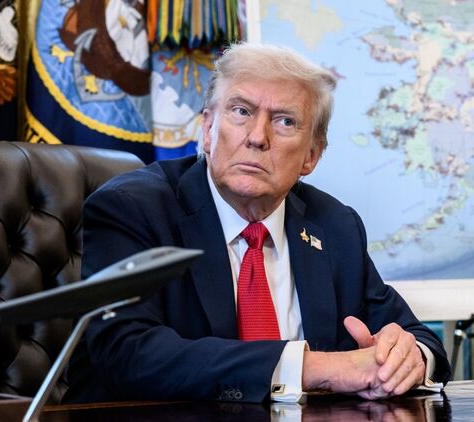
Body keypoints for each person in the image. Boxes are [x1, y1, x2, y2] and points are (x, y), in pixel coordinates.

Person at [65, 43, 451, 404]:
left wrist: (407, 358)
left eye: (284, 121)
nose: (256, 137)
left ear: (311, 156)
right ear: (208, 129)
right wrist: (315, 368)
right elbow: (124, 351)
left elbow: (421, 339)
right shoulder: (133, 209)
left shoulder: (334, 226)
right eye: (241, 111)